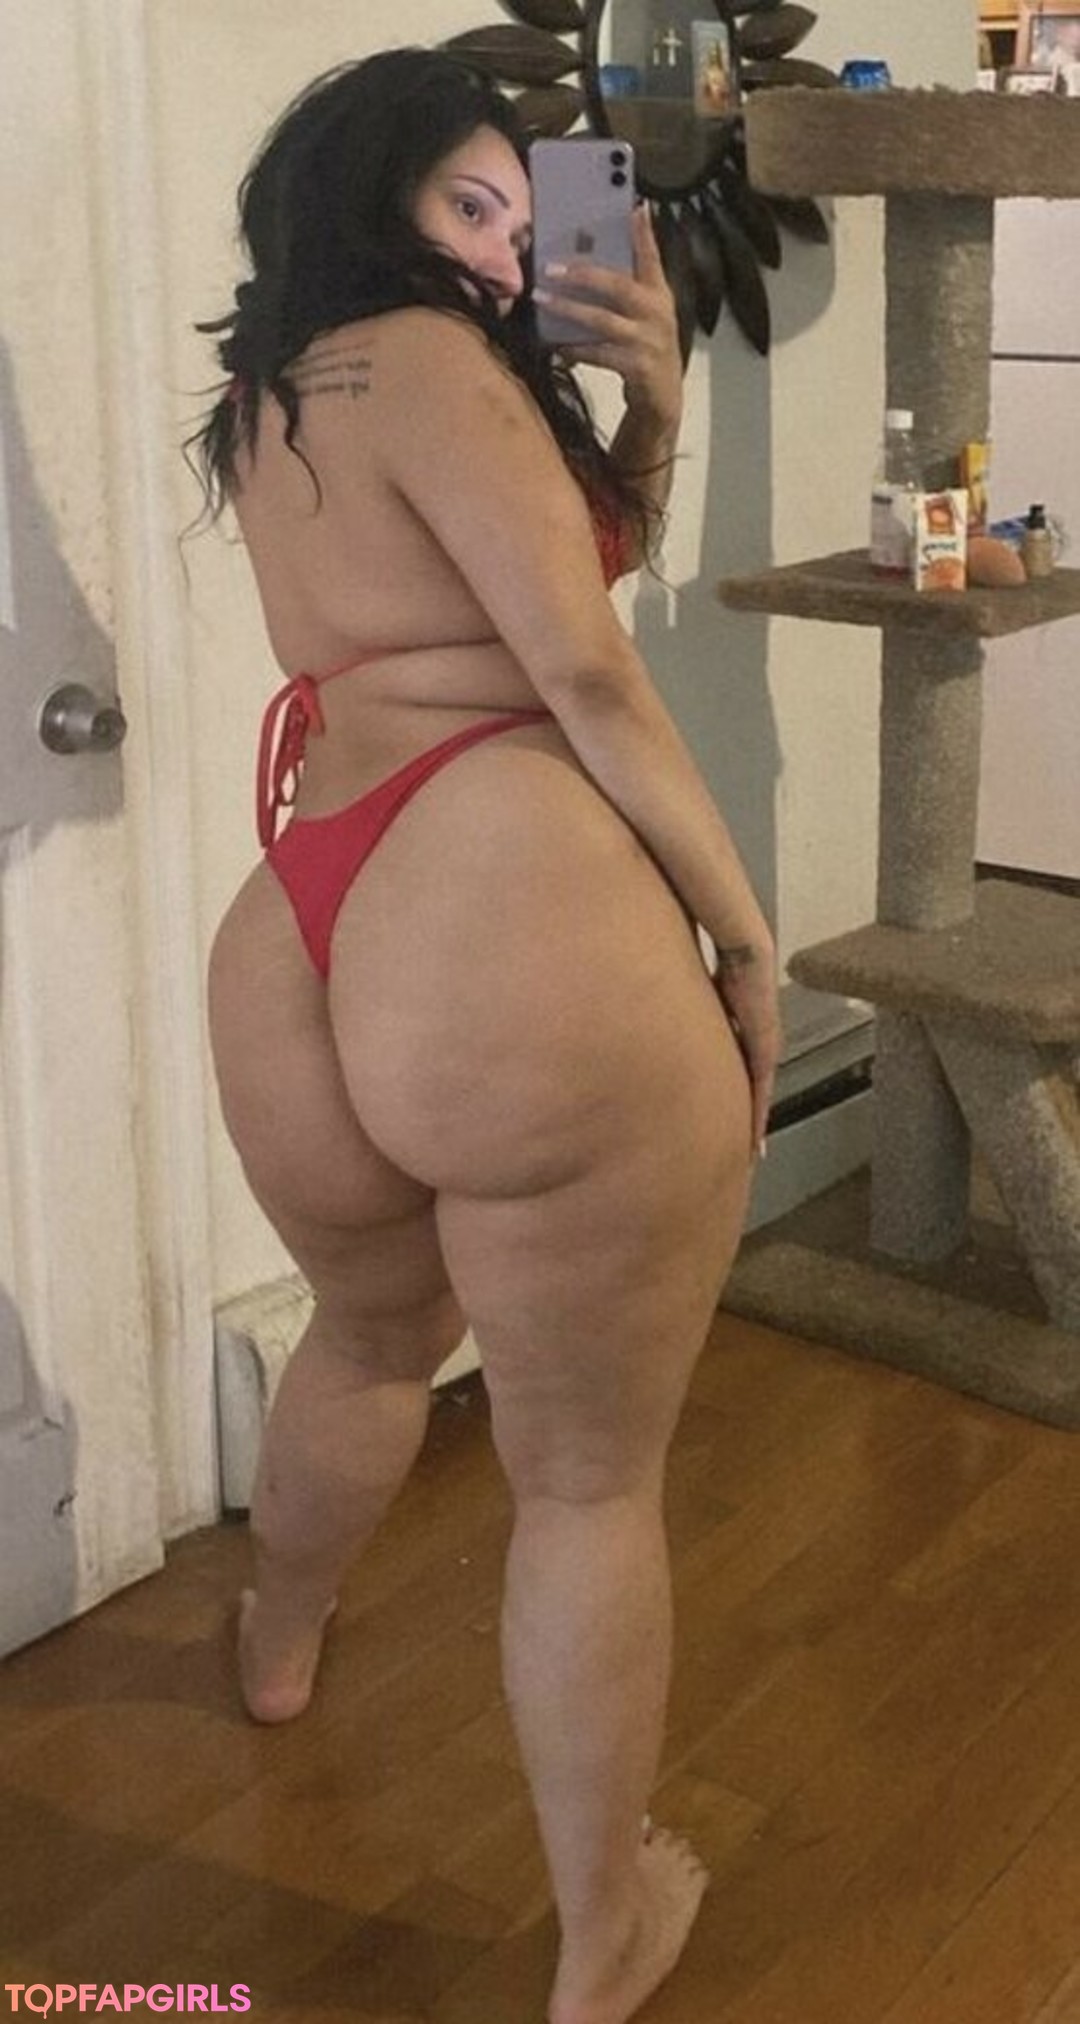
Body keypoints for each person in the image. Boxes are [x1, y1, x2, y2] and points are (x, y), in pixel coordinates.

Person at [190, 47, 780, 2024]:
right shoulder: (439, 361)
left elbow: (543, 575)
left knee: (367, 1335)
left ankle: (277, 1642)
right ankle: (607, 1937)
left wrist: (653, 400)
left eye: (529, 219)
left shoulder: (276, 391)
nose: (514, 249)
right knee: (585, 1477)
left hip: (307, 913)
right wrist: (744, 932)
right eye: (475, 204)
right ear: (371, 185)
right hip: (501, 914)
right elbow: (588, 678)